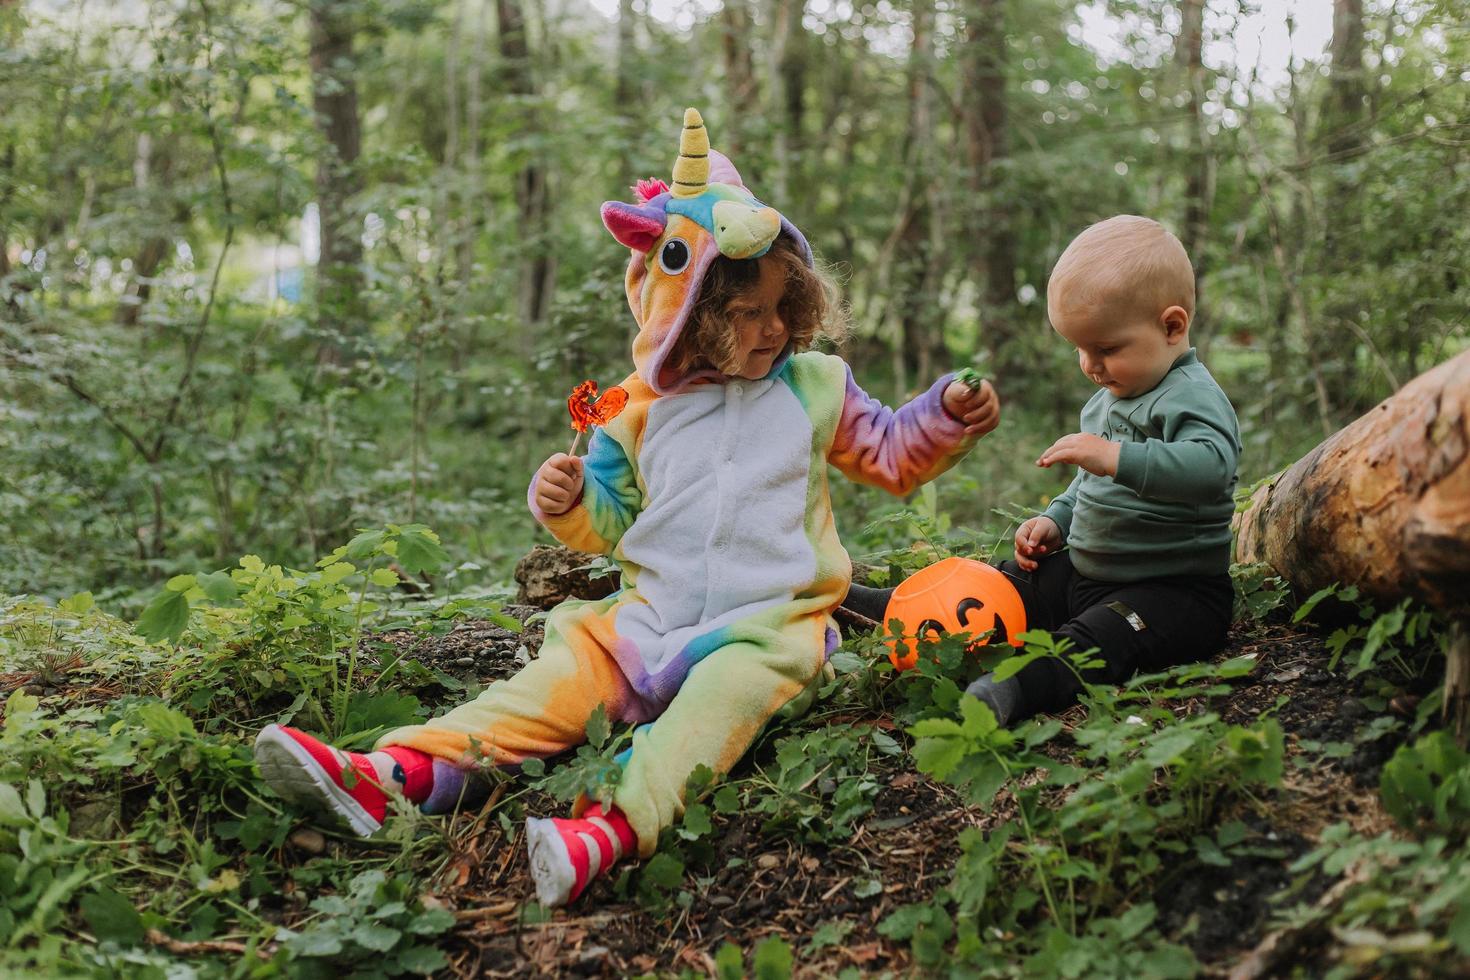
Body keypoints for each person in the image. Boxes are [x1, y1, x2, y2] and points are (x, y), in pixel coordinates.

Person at [252, 108, 1000, 907]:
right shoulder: (630, 408)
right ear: (689, 311)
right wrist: (570, 502)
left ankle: (603, 831)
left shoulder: (816, 385)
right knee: (549, 690)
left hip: (770, 628)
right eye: (747, 312)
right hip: (646, 618)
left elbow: (889, 450)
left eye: (787, 307)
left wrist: (946, 413)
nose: (773, 328)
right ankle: (394, 778)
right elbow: (609, 523)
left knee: (712, 715)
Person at [844, 214, 1239, 725]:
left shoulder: (1193, 396)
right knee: (1007, 584)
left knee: (1097, 639)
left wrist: (1114, 457)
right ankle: (906, 608)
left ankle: (1014, 687)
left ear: (1172, 326)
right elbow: (1088, 484)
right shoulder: (1108, 400)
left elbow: (1212, 468)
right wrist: (1056, 520)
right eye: (1080, 348)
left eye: (1106, 348)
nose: (1090, 364)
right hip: (1087, 570)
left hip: (1171, 590)